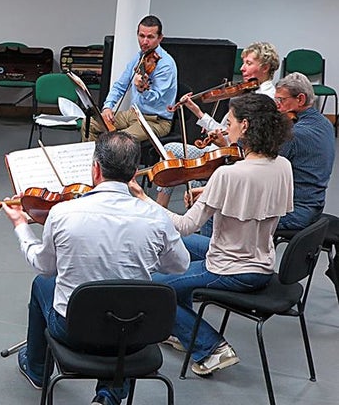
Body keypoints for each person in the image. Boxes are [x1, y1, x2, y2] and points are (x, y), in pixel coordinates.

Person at [1, 131, 189, 405]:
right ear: (134, 172)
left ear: (96, 168)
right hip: (137, 335)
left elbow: (44, 266)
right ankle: (108, 396)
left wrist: (21, 227)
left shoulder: (63, 213)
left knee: (42, 285)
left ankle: (38, 370)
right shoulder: (157, 218)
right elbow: (180, 265)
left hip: (74, 331)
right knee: (124, 309)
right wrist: (144, 256)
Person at [130, 93, 293, 376]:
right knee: (177, 248)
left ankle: (211, 347)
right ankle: (183, 330)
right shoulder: (282, 166)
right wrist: (209, 194)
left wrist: (143, 198)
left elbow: (183, 224)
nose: (224, 127)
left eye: (229, 122)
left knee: (149, 289)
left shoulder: (229, 175)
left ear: (245, 126)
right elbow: (258, 195)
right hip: (260, 259)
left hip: (231, 267)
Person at [154, 42, 280, 207]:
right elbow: (225, 130)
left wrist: (222, 142)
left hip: (232, 157)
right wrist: (196, 110)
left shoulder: (265, 100)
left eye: (249, 63)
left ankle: (159, 211)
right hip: (219, 151)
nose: (242, 68)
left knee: (172, 152)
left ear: (266, 67)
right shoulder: (247, 93)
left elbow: (240, 142)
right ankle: (160, 209)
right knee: (170, 155)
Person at [86, 15, 177, 143]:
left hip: (156, 120)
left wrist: (142, 90)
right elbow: (120, 86)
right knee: (89, 123)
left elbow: (156, 97)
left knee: (118, 141)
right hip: (133, 114)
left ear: (160, 38)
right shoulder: (139, 57)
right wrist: (108, 107)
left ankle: (108, 163)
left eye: (150, 37)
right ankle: (92, 161)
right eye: (141, 36)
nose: (145, 41)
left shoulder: (166, 65)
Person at [275, 72, 335, 229]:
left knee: (223, 212)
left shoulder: (295, 134)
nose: (277, 105)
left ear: (300, 99)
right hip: (315, 207)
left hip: (293, 214)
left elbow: (267, 169)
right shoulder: (325, 123)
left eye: (281, 100)